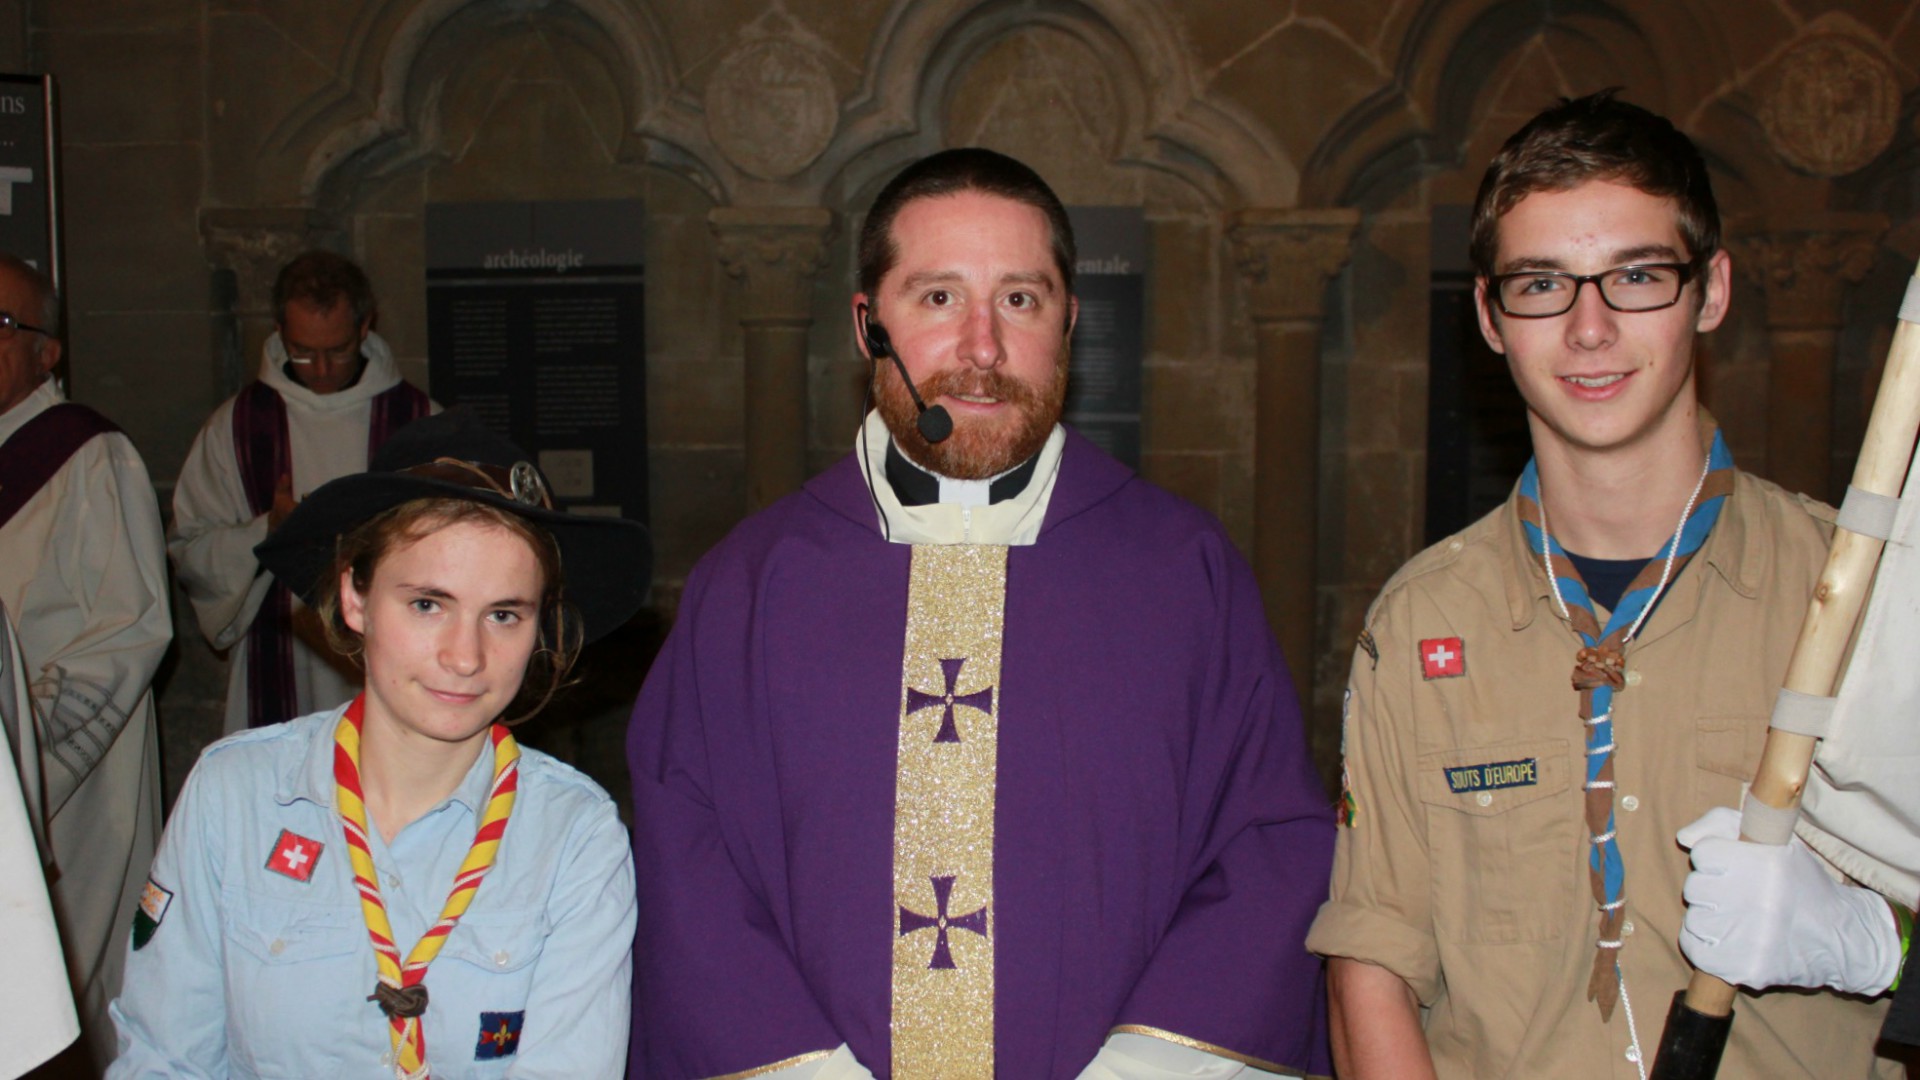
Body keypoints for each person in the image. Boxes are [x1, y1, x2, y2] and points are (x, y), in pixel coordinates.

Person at [627, 147, 1333, 1079]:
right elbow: (688, 867)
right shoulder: (750, 587)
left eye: (1020, 299)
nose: (982, 349)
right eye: (936, 298)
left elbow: (1267, 847)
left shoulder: (1182, 574)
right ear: (865, 324)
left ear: (1070, 324)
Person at [1306, 91, 1902, 1078]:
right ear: (1492, 319)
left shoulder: (1857, 600)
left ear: (1709, 292)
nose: (1589, 328)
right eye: (1542, 284)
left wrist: (1872, 938)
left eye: (1635, 276)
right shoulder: (1421, 622)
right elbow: (1375, 961)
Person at [109, 411, 650, 1078]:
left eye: (504, 614)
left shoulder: (575, 839)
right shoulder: (238, 793)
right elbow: (164, 1058)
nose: (465, 657)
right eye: (428, 603)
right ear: (355, 598)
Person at [0, 252, 170, 1075]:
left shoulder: (87, 457)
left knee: (53, 993)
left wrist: (18, 768)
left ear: (47, 351)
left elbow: (127, 633)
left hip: (60, 792)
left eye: (1, 325)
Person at [170, 249, 434, 734]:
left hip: (389, 644)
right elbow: (191, 546)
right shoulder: (237, 426)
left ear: (364, 327)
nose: (321, 369)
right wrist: (267, 529)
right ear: (278, 331)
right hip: (280, 647)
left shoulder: (419, 422)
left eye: (336, 350)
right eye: (302, 351)